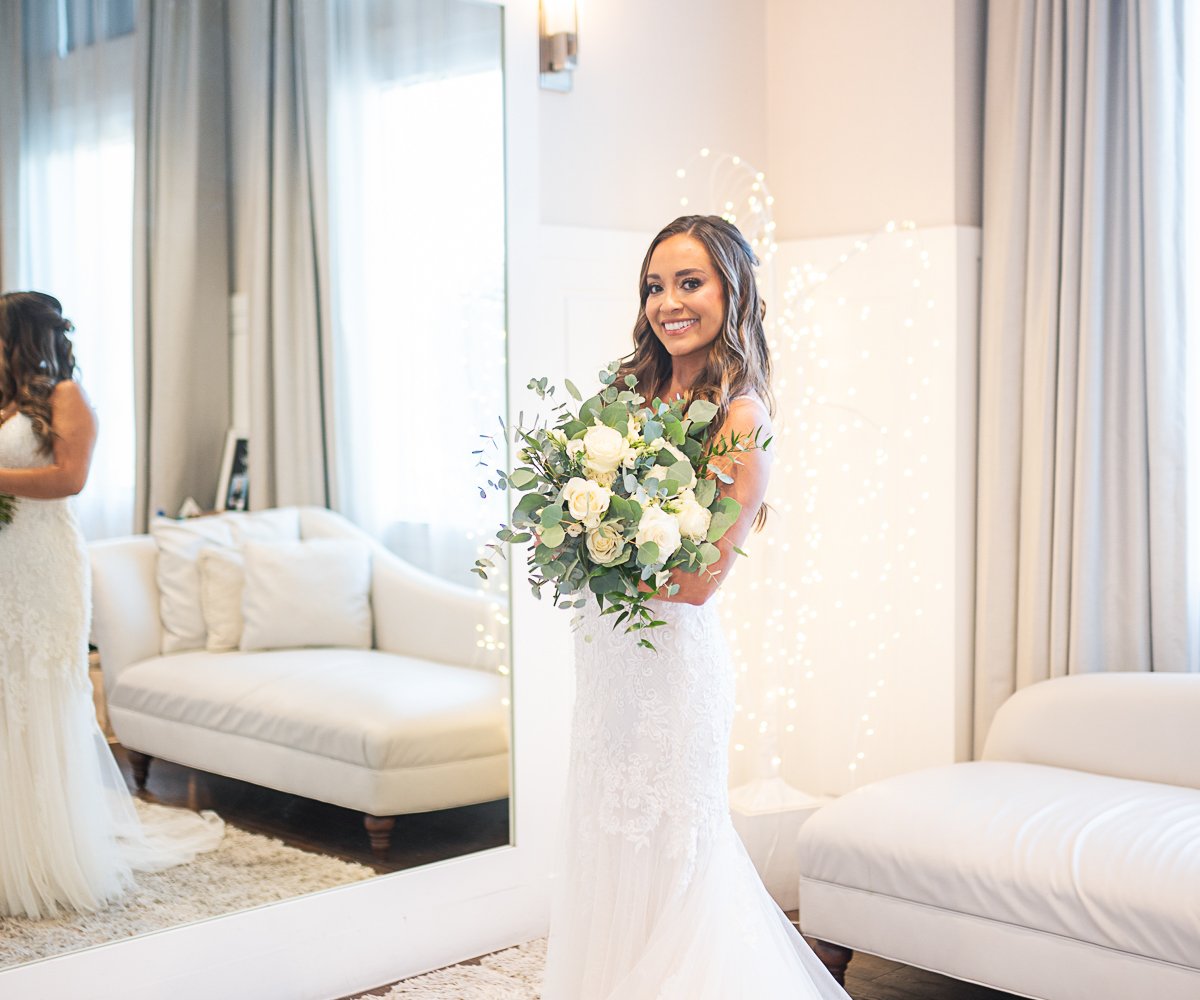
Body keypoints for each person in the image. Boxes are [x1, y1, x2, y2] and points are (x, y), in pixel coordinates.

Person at [540, 218, 850, 998]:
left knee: (674, 854)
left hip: (672, 670)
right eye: (654, 286)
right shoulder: (625, 389)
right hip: (607, 657)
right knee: (605, 842)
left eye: (689, 283)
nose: (668, 303)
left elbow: (702, 578)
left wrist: (606, 553)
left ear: (731, 291)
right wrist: (580, 531)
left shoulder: (742, 416)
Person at [0, 291, 223, 920]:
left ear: (19, 336)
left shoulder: (65, 397)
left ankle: (45, 852)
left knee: (39, 692)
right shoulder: (5, 403)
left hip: (44, 568)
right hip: (3, 565)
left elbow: (70, 479)